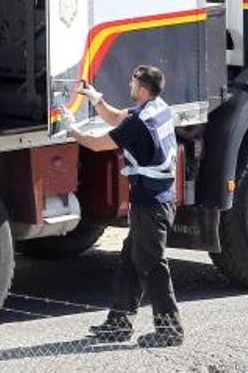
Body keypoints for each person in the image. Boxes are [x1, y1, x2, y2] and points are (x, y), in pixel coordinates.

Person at [66, 65, 184, 347]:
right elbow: (118, 117)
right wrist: (96, 98)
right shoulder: (159, 109)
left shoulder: (141, 121)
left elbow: (97, 144)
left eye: (132, 81)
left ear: (142, 88)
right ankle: (119, 323)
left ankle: (170, 330)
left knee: (153, 265)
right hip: (157, 200)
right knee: (130, 260)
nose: (129, 84)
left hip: (151, 203)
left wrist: (71, 130)